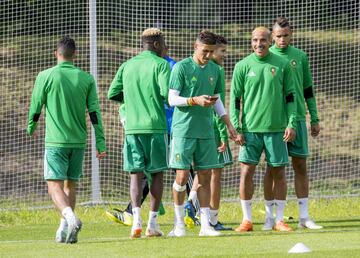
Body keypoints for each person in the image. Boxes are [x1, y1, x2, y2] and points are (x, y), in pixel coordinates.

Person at [27, 36, 106, 244]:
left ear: (56, 54)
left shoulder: (45, 76)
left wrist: (31, 127)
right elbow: (95, 113)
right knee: (71, 185)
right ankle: (63, 230)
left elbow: (36, 106)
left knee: (54, 185)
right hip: (78, 142)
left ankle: (71, 218)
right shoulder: (86, 78)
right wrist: (100, 142)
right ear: (75, 55)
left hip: (55, 142)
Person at [168, 30, 237, 237]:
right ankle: (178, 225)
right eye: (204, 51)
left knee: (205, 176)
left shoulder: (216, 70)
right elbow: (172, 99)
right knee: (181, 177)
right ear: (195, 46)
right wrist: (194, 100)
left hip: (206, 131)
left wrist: (229, 125)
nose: (207, 55)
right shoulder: (181, 68)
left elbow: (217, 102)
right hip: (184, 131)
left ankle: (206, 225)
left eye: (211, 51)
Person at [230, 27, 297, 232]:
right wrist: (237, 127)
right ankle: (247, 220)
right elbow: (234, 100)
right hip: (250, 131)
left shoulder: (283, 64)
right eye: (255, 40)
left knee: (278, 172)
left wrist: (291, 123)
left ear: (270, 41)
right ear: (251, 42)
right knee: (246, 172)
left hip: (276, 129)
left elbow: (291, 97)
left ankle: (276, 220)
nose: (258, 44)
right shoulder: (242, 66)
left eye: (263, 40)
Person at [107, 28, 170, 238]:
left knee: (136, 174)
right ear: (157, 44)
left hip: (132, 128)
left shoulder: (127, 65)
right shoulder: (161, 65)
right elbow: (166, 94)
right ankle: (152, 224)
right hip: (155, 127)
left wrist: (132, 100)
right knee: (157, 174)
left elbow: (112, 93)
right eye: (163, 42)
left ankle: (136, 221)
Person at [262, 17, 322, 230]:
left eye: (286, 35)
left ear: (292, 34)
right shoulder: (266, 58)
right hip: (275, 124)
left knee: (300, 166)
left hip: (296, 119)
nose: (282, 39)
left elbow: (307, 89)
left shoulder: (300, 56)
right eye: (278, 36)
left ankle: (304, 217)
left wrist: (314, 118)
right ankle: (270, 217)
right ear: (272, 37)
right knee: (273, 168)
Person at [185, 34, 233, 231]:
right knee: (214, 174)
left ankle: (191, 203)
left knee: (204, 171)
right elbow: (216, 106)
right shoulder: (212, 71)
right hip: (212, 130)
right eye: (221, 51)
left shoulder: (209, 70)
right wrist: (224, 133)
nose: (223, 55)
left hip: (206, 128)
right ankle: (211, 218)